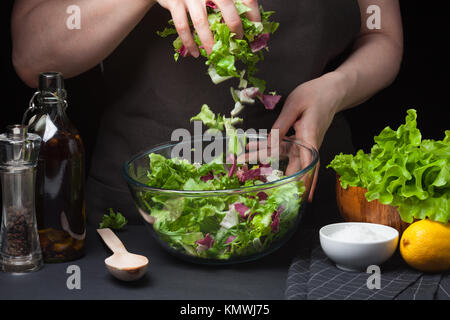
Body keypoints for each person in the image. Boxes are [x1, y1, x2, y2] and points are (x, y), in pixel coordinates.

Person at [11, 0, 403, 225]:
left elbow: (381, 34)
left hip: (309, 213)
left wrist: (336, 87)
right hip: (142, 221)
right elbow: (33, 55)